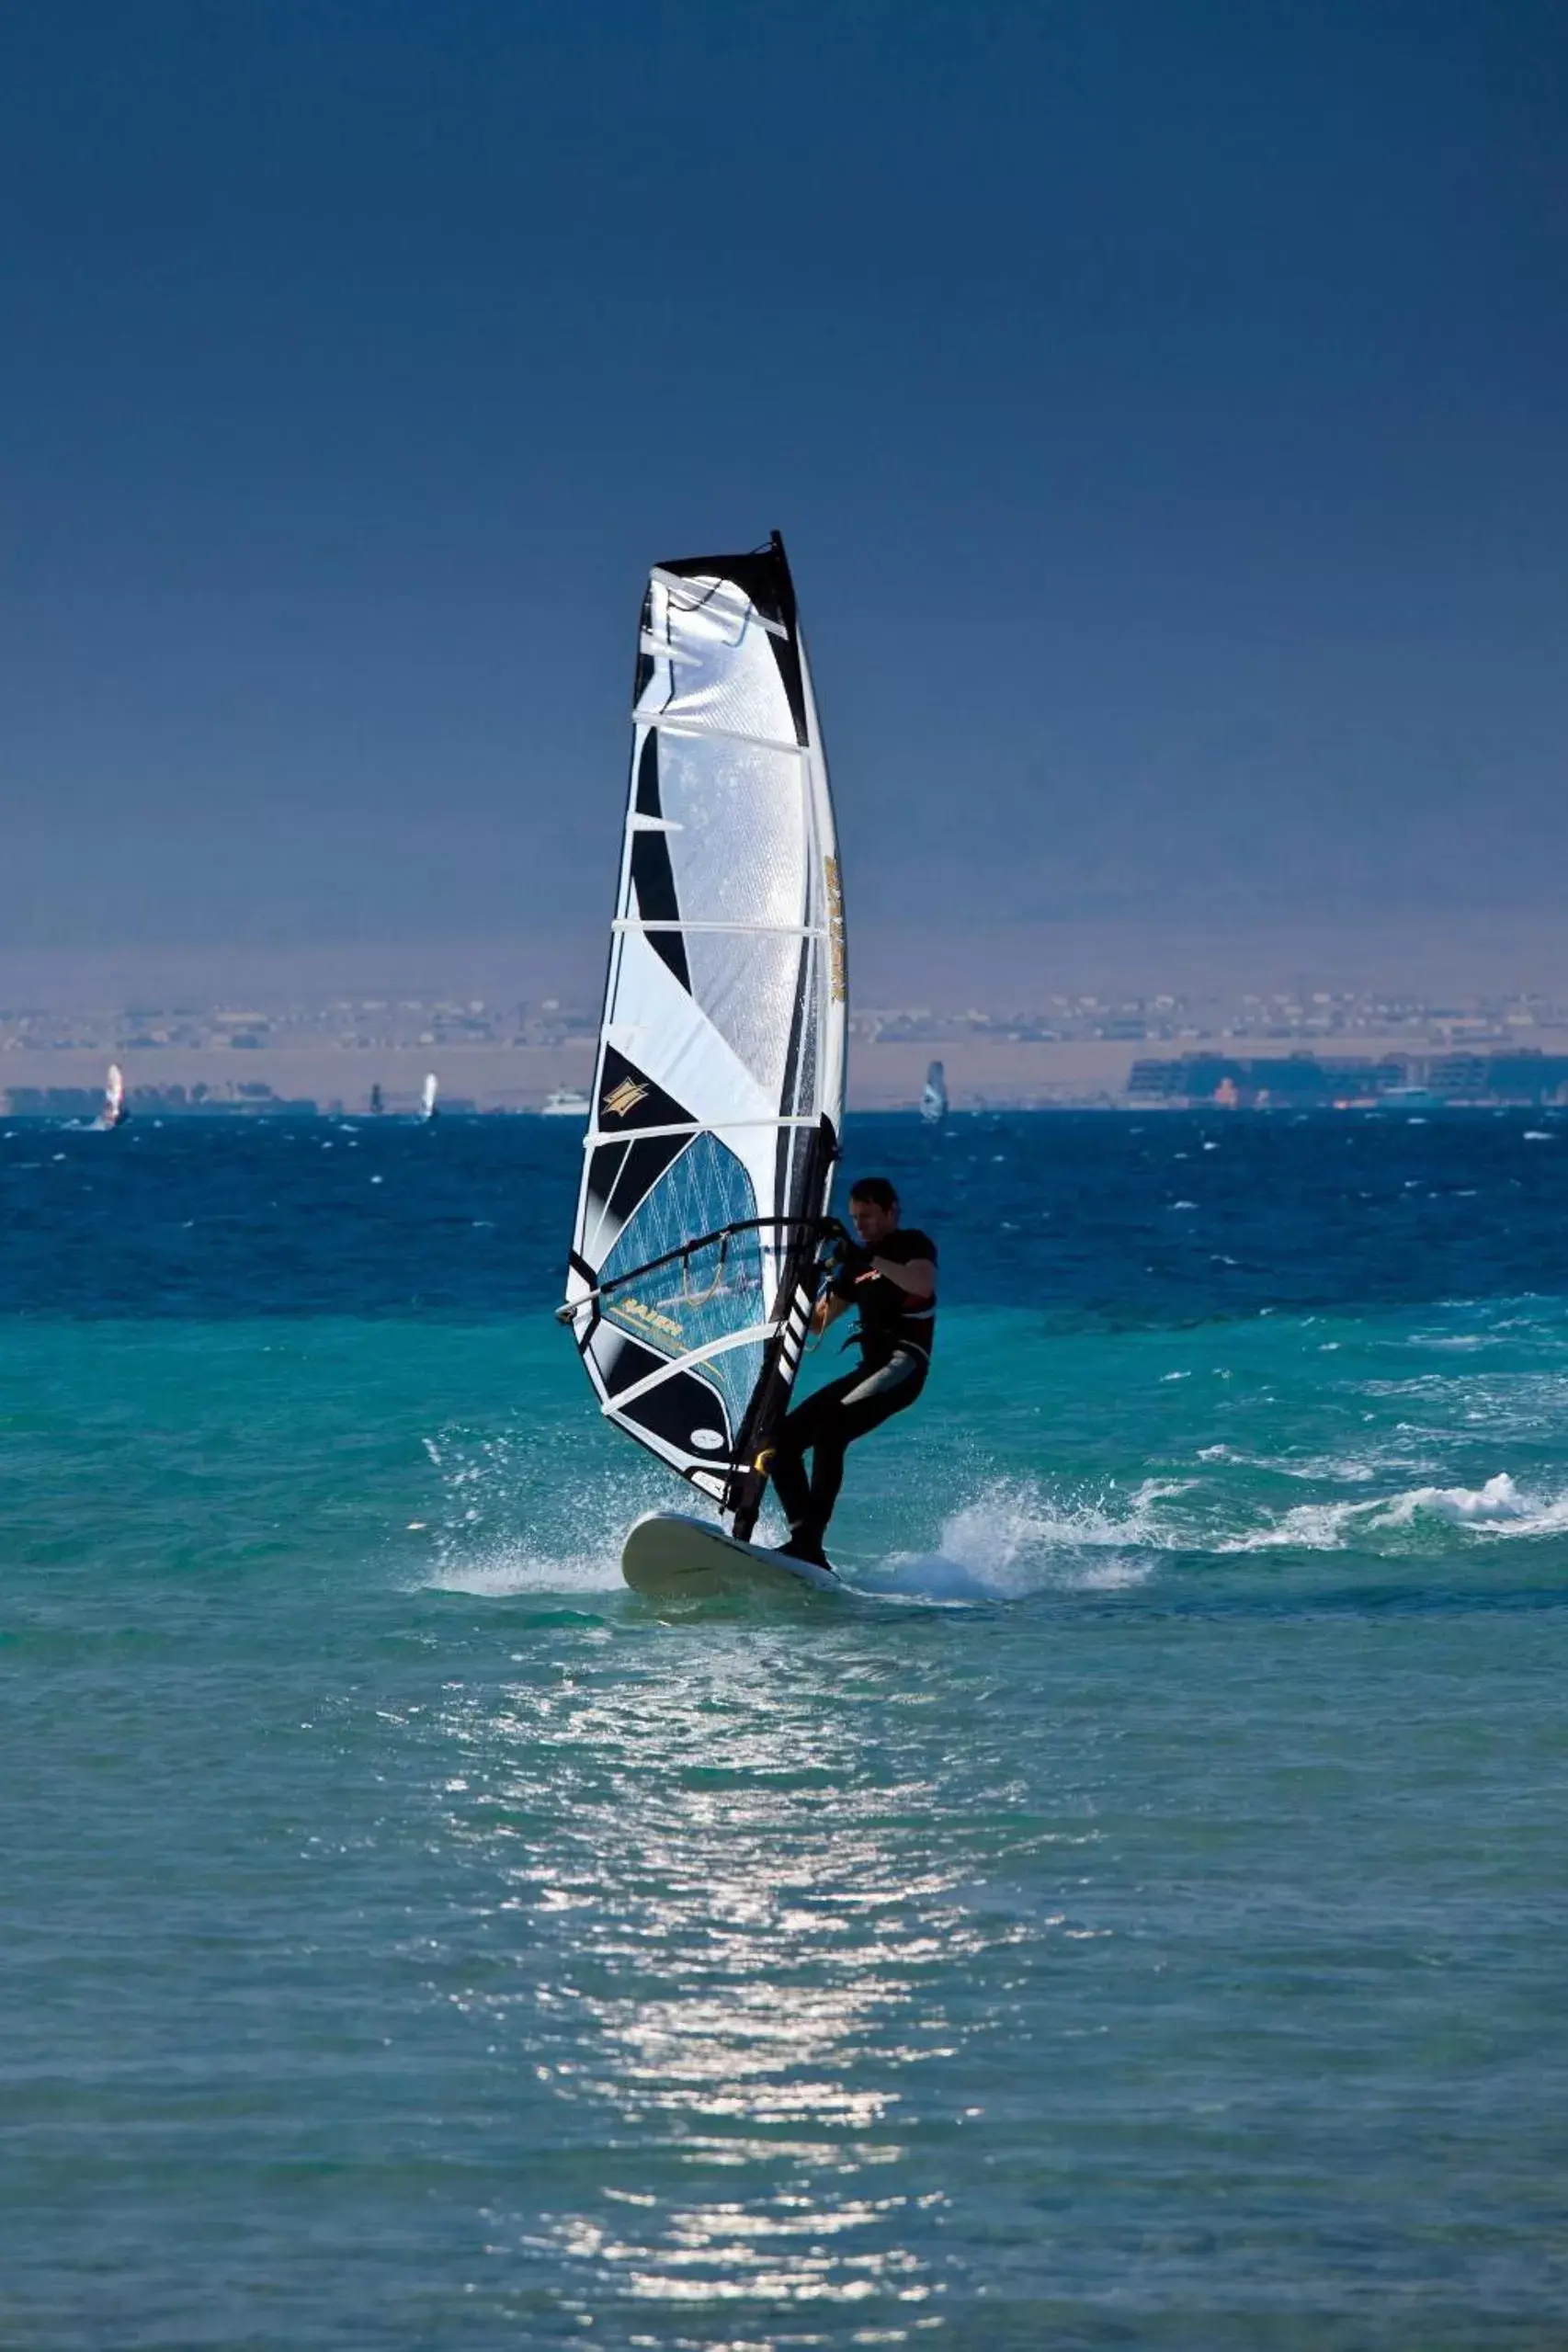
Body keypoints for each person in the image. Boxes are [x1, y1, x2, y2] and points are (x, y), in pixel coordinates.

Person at [768, 1176, 937, 1567]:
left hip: (903, 1364)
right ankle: (802, 1541)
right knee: (783, 1441)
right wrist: (794, 1283)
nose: (861, 1226)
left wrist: (865, 1257)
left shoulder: (913, 1245)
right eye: (855, 1219)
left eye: (869, 1217)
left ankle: (811, 1540)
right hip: (870, 1368)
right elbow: (818, 1323)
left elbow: (922, 1285)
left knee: (832, 1429)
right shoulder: (854, 1267)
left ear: (892, 1211)